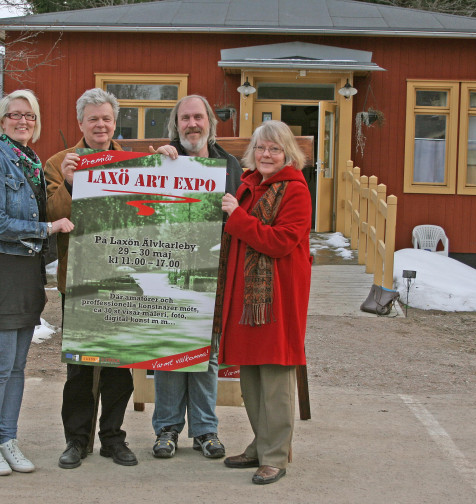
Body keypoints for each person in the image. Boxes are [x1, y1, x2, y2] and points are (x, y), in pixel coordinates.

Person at [0, 89, 74, 476]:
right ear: (2, 120)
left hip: (26, 271)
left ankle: (8, 438)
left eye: (29, 116)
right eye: (15, 115)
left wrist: (71, 188)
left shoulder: (31, 165)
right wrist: (48, 227)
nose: (23, 121)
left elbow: (47, 207)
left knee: (17, 367)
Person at [45, 88, 138, 468]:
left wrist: (167, 162)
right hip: (81, 277)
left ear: (115, 123)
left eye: (107, 119)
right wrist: (68, 183)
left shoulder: (133, 162)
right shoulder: (57, 162)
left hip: (123, 277)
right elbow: (54, 215)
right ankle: (76, 440)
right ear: (80, 123)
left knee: (119, 368)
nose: (100, 125)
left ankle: (113, 438)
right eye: (93, 119)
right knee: (81, 369)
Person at [217, 120, 312, 485]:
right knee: (252, 377)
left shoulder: (295, 190)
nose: (267, 154)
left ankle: (275, 455)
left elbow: (281, 241)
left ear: (288, 153)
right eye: (261, 148)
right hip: (247, 296)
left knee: (275, 376)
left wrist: (237, 218)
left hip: (277, 297)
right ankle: (260, 444)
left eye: (274, 148)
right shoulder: (249, 184)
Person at [149, 95, 243, 459]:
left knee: (208, 352)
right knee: (171, 348)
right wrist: (155, 165)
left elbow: (240, 217)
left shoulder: (229, 165)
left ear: (209, 123)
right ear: (177, 124)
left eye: (198, 117)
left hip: (213, 268)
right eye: (185, 118)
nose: (192, 124)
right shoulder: (163, 159)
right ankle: (167, 429)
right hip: (168, 265)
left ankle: (205, 430)